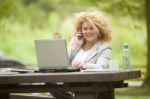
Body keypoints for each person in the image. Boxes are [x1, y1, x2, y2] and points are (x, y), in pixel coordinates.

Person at [51, 10, 112, 99]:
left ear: (99, 30)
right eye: (85, 29)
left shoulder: (104, 47)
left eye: (91, 28)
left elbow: (103, 66)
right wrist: (76, 47)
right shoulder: (75, 42)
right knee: (49, 83)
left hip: (89, 86)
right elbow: (61, 63)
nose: (88, 32)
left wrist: (85, 65)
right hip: (68, 85)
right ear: (81, 31)